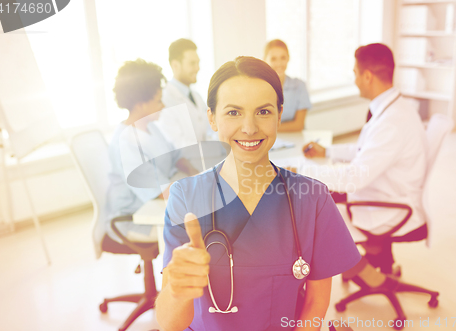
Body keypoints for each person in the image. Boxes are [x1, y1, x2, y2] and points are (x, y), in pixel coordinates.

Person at [155, 56, 361, 331]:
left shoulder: (313, 199)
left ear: (279, 113)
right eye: (233, 112)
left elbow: (315, 303)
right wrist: (178, 291)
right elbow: (169, 324)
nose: (249, 127)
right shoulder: (186, 197)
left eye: (263, 112)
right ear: (212, 118)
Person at [301, 43, 428, 273]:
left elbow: (354, 178)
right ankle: (374, 256)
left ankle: (369, 276)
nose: (355, 80)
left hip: (389, 205)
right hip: (384, 190)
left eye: (355, 74)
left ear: (367, 76)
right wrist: (328, 152)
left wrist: (302, 172)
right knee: (323, 193)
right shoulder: (394, 108)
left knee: (315, 212)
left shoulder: (392, 123)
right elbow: (366, 150)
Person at [104, 59, 197, 251]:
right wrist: (201, 187)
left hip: (156, 208)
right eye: (158, 101)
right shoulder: (126, 143)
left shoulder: (151, 127)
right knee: (200, 230)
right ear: (140, 105)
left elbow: (175, 156)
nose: (162, 106)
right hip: (135, 218)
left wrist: (193, 171)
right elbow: (160, 192)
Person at [157, 38, 211, 149]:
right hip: (186, 164)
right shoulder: (164, 99)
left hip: (206, 160)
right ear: (175, 65)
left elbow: (211, 129)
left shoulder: (197, 97)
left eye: (198, 63)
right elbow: (176, 143)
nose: (197, 68)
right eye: (192, 63)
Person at [264, 39, 311, 132]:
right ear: (265, 60)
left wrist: (268, 129)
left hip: (295, 138)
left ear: (288, 58)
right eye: (273, 59)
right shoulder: (260, 88)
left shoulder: (299, 86)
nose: (279, 63)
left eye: (283, 58)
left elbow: (298, 125)